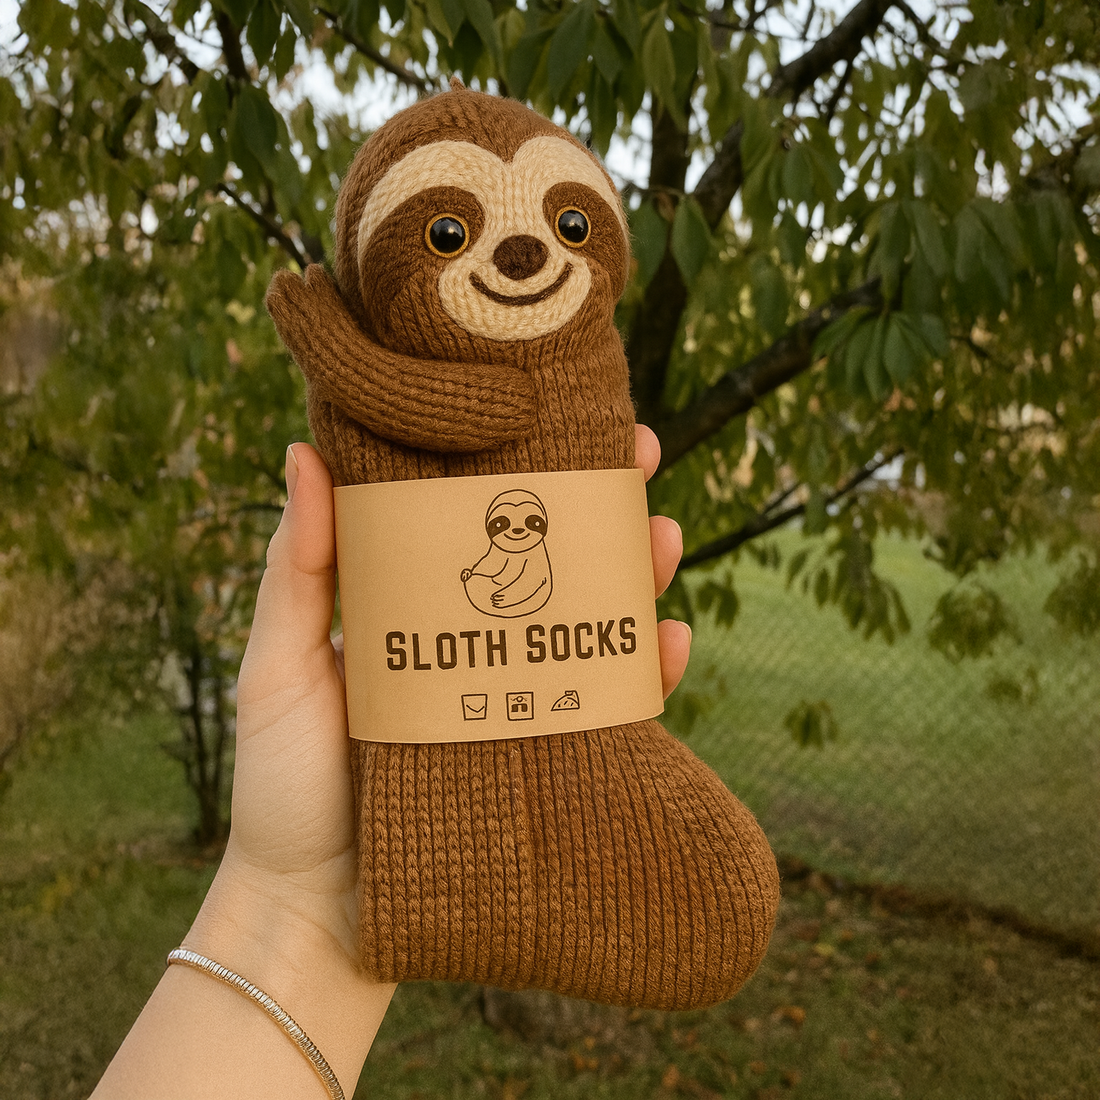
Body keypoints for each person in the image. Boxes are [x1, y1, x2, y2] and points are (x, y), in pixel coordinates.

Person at [90, 428, 692, 1100]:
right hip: (376, 840)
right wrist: (298, 892)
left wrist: (292, 905)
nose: (517, 531)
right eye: (507, 522)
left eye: (529, 521)